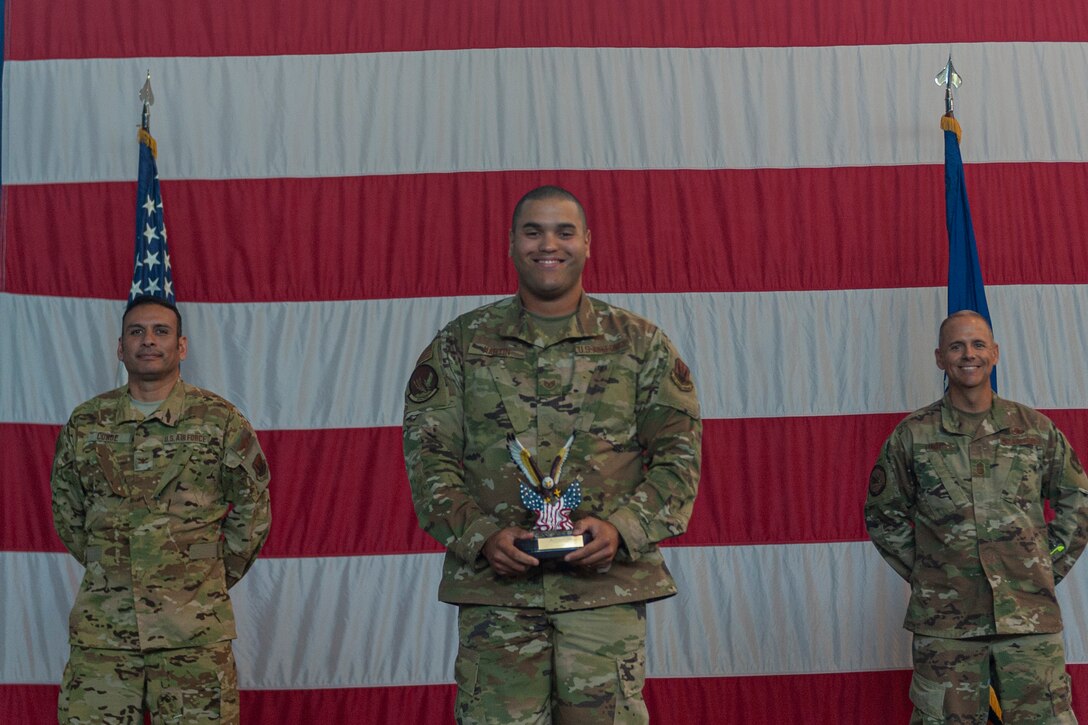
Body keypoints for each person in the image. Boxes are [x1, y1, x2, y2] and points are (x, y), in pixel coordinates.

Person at [402, 186, 702, 723]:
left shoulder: (639, 345)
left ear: (587, 243)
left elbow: (680, 459)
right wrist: (479, 535)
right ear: (512, 243)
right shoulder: (461, 344)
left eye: (564, 231)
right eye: (534, 231)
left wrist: (624, 529)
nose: (549, 244)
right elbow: (429, 459)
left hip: (603, 600)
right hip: (499, 602)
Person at [50, 295, 271, 724]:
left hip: (193, 633)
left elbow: (253, 512)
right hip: (105, 635)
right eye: (136, 332)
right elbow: (68, 513)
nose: (148, 341)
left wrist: (200, 579)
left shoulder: (220, 421)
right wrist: (122, 568)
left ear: (181, 346)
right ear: (120, 347)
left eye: (160, 331)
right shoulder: (86, 423)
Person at [865, 310, 1088, 724]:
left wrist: (1044, 561)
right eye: (956, 346)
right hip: (947, 628)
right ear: (939, 358)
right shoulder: (913, 435)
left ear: (995, 353)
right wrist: (932, 574)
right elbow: (884, 516)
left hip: (1028, 621)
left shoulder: (1035, 430)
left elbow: (1078, 500)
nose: (969, 354)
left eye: (978, 344)